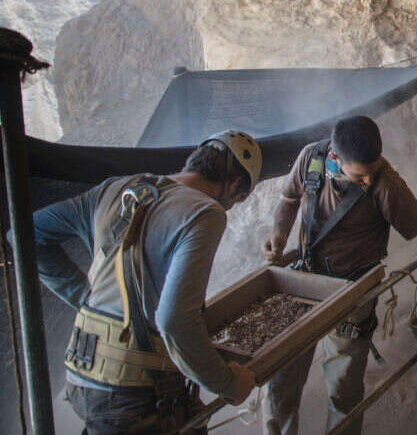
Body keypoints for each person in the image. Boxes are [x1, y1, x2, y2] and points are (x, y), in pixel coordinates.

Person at [27, 130, 261, 434]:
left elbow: (26, 234)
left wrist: (85, 298)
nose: (232, 205)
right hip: (134, 395)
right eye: (238, 199)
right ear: (233, 184)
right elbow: (175, 321)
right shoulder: (206, 211)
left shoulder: (115, 188)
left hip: (83, 379)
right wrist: (229, 383)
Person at [261, 116, 417, 435]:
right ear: (335, 158)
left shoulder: (385, 184)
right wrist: (279, 233)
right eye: (359, 175)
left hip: (352, 299)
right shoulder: (311, 158)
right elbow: (289, 198)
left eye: (372, 171)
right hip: (303, 286)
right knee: (281, 384)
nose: (368, 180)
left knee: (344, 391)